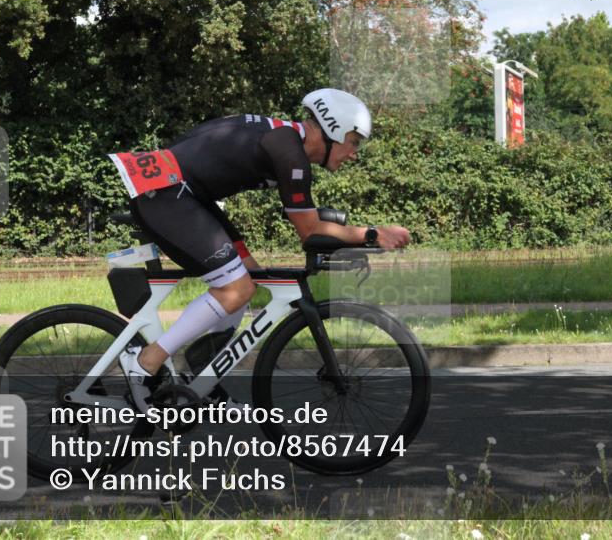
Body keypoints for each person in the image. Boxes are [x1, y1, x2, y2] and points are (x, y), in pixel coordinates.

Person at [110, 88, 411, 411]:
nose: (354, 153)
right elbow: (310, 230)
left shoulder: (286, 141)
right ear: (333, 129)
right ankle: (145, 361)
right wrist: (372, 234)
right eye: (354, 142)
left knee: (249, 276)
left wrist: (357, 238)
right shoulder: (289, 152)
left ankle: (201, 376)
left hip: (183, 193)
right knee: (235, 289)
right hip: (168, 195)